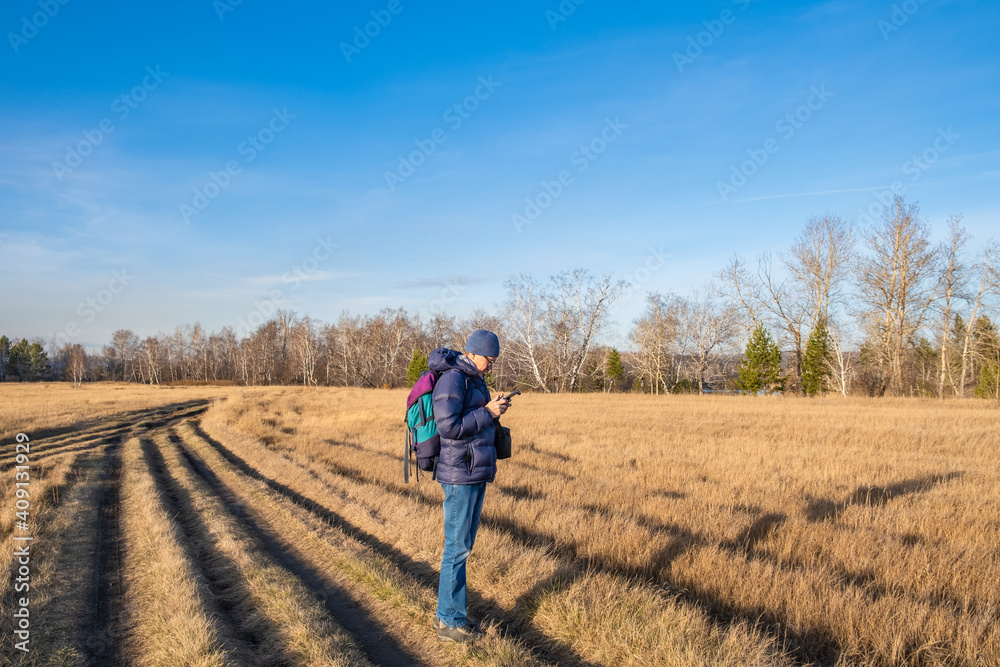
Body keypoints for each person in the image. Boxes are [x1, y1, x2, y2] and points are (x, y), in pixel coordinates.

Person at [427, 329, 509, 643]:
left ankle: (454, 616)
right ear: (473, 353)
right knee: (456, 549)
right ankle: (448, 622)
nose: (491, 364)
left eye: (493, 360)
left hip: (475, 471)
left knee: (464, 547)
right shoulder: (454, 379)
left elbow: (473, 417)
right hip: (459, 475)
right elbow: (449, 426)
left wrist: (494, 409)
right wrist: (486, 412)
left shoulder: (475, 379)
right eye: (489, 358)